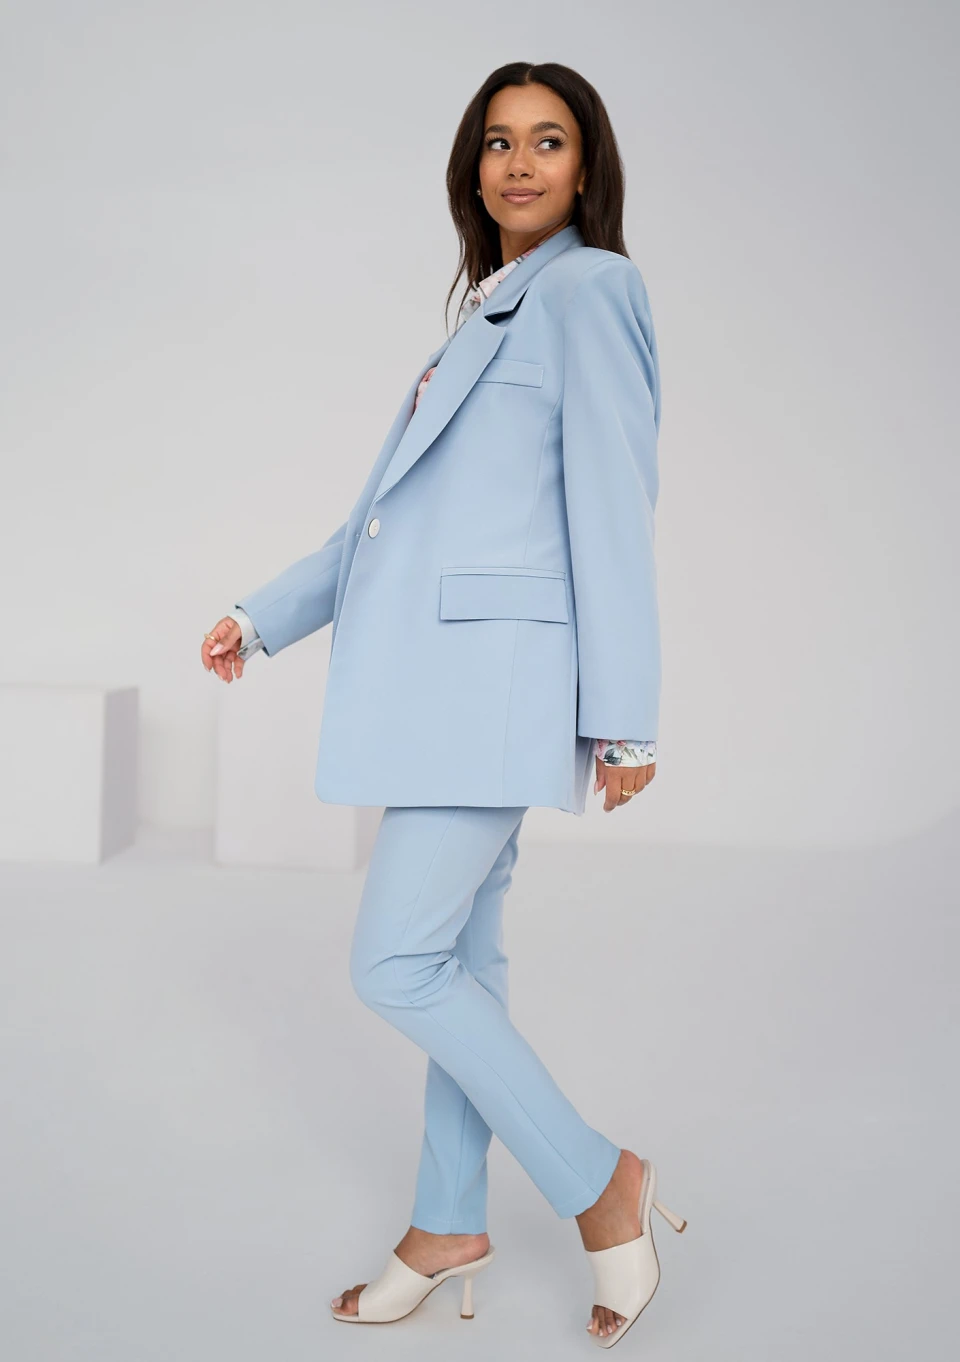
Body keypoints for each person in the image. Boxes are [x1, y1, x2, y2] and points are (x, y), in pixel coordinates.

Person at [201, 61, 686, 1348]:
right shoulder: (481, 314)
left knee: (395, 962)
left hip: (494, 694)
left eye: (549, 141)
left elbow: (613, 514)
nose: (520, 162)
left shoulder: (591, 290)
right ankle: (446, 1221)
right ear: (473, 168)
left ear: (587, 167)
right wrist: (266, 614)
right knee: (462, 965)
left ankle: (602, 1183)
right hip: (442, 696)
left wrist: (625, 720)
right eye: (498, 141)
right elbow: (381, 523)